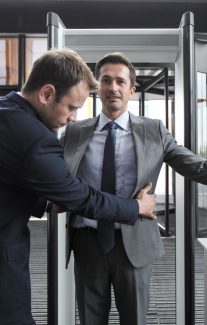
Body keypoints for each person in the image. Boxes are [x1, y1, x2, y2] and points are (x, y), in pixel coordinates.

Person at [62, 52, 207, 325]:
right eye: (106, 80)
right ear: (97, 87)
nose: (113, 88)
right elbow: (54, 173)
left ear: (131, 90)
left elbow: (198, 166)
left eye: (120, 81)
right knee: (89, 319)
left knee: (135, 318)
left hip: (135, 242)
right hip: (87, 242)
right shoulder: (75, 132)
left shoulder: (153, 130)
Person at [0, 49, 157, 325]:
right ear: (47, 94)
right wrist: (137, 206)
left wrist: (46, 203)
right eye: (71, 107)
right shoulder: (36, 139)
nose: (73, 118)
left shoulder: (6, 111)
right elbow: (82, 197)